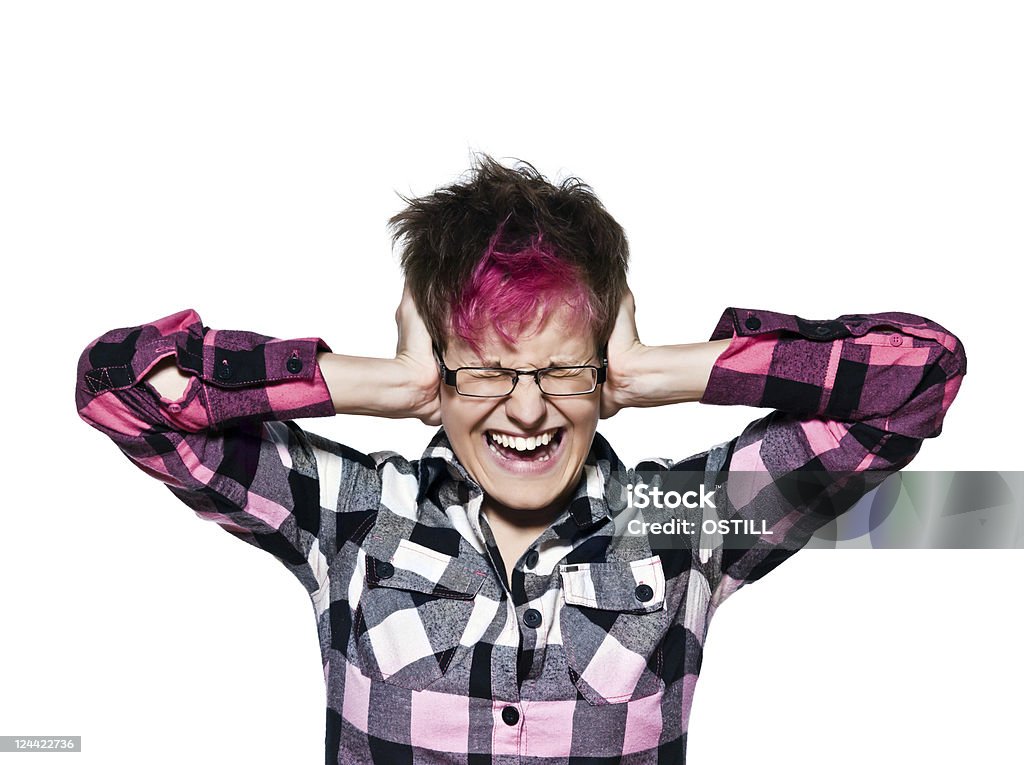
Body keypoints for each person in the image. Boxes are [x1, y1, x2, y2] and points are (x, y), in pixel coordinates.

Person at [75, 154, 967, 764]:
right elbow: (121, 388)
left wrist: (669, 368)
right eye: (488, 368)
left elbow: (919, 374)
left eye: (562, 367)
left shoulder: (684, 524)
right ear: (435, 364)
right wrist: (373, 382)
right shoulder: (344, 512)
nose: (530, 408)